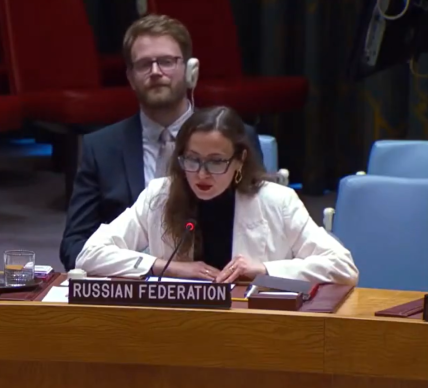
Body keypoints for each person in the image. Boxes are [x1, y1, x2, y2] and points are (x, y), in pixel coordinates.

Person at [60, 14, 265, 271]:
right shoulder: (100, 148)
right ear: (130, 77)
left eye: (167, 62)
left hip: (215, 282)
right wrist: (148, 268)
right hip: (129, 285)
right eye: (144, 64)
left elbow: (261, 234)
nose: (156, 72)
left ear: (190, 70)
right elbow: (75, 246)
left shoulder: (237, 138)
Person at [75, 106, 358, 285]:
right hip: (176, 326)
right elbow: (90, 254)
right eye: (192, 159)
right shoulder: (159, 195)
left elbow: (343, 267)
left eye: (216, 161)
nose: (201, 174)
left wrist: (264, 269)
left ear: (239, 161)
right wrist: (170, 268)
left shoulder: (277, 202)